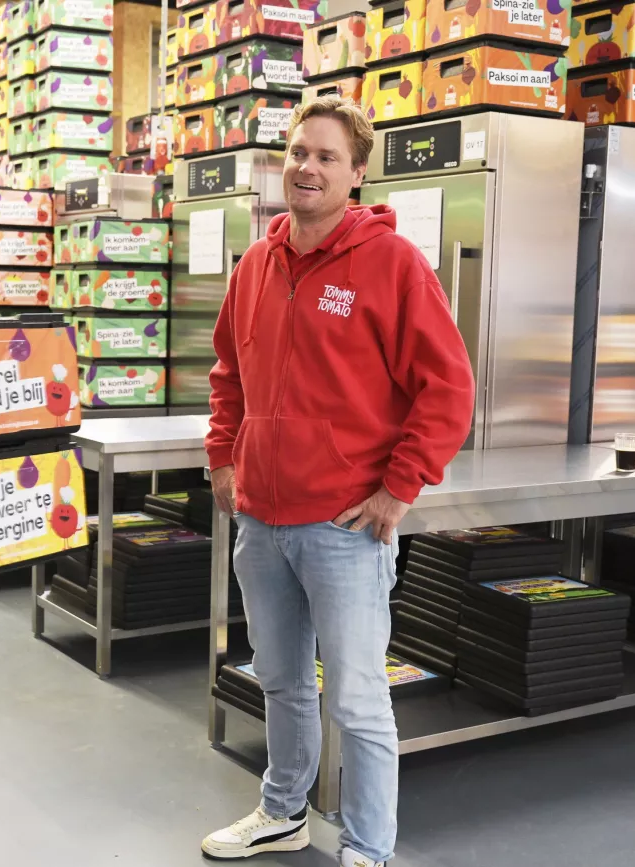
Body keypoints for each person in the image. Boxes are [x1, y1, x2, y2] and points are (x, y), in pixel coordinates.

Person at [200, 96, 476, 867]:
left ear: (357, 174)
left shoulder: (392, 264)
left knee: (357, 700)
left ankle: (368, 847)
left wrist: (399, 487)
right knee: (282, 682)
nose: (307, 167)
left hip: (346, 527)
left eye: (326, 156)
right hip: (261, 520)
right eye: (297, 152)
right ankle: (283, 812)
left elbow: (447, 386)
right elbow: (228, 374)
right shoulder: (256, 264)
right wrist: (224, 455)